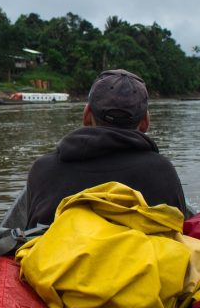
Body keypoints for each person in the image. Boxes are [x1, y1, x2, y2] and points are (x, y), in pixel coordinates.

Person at [17, 69, 188, 229]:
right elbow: (180, 231)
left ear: (86, 115)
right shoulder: (162, 170)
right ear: (145, 122)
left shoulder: (43, 170)